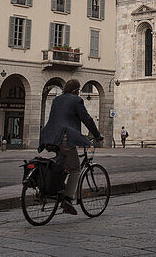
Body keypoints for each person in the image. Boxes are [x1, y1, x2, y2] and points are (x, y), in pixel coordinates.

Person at [39, 79, 103, 212]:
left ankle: (58, 187)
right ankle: (67, 199)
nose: (79, 93)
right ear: (75, 91)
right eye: (78, 90)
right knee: (76, 169)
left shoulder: (57, 100)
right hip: (64, 137)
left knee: (64, 165)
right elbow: (87, 119)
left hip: (50, 137)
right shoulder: (76, 100)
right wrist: (97, 135)